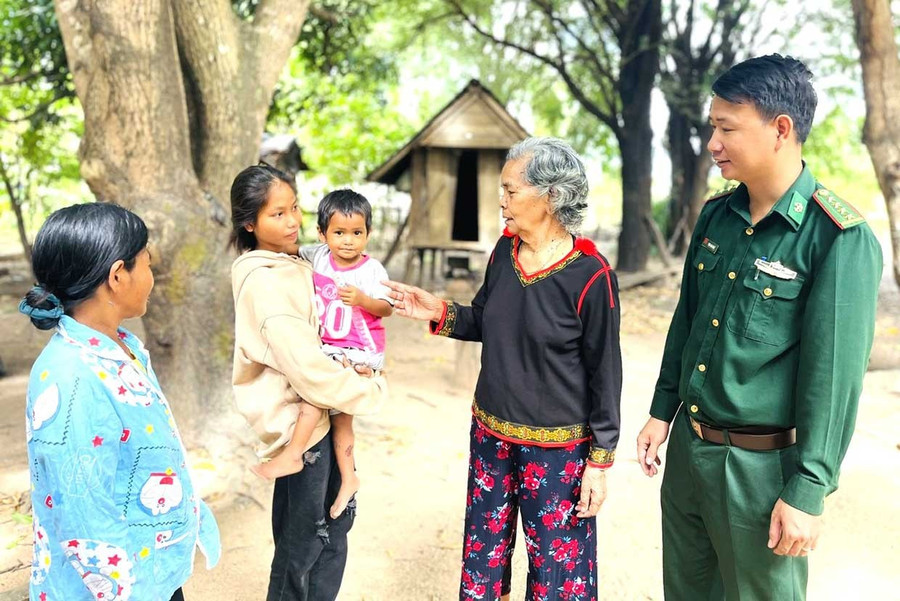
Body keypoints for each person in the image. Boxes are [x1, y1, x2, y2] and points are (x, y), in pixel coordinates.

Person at [636, 54, 883, 600]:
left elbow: (833, 378)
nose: (713, 143)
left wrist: (809, 488)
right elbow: (689, 320)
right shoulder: (715, 216)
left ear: (780, 129)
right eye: (712, 126)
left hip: (760, 472)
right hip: (690, 456)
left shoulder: (837, 237)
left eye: (727, 128)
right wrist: (662, 409)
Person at [384, 137, 622, 601]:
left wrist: (600, 460)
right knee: (482, 560)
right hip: (490, 434)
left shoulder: (591, 276)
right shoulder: (503, 253)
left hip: (557, 454)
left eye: (511, 191)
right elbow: (484, 320)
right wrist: (437, 310)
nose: (501, 202)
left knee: (557, 573)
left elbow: (605, 374)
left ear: (550, 196)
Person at [19, 203, 220, 601]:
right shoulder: (71, 379)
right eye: (146, 264)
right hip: (119, 587)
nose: (152, 276)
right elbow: (83, 517)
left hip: (150, 570)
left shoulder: (121, 347)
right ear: (116, 276)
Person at [229, 163, 389, 601]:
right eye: (276, 214)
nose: (292, 221)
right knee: (302, 547)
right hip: (303, 423)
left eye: (294, 208)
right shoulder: (264, 278)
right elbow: (306, 366)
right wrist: (371, 389)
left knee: (334, 533)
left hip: (325, 410)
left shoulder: (297, 261)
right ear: (250, 223)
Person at [252, 189, 393, 523]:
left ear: (368, 234)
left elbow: (386, 309)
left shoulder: (371, 270)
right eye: (339, 233)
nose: (348, 241)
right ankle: (349, 478)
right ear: (322, 234)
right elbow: (286, 247)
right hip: (331, 347)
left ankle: (293, 454)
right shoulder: (317, 257)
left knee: (313, 396)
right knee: (342, 419)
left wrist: (362, 300)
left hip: (360, 350)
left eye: (357, 233)